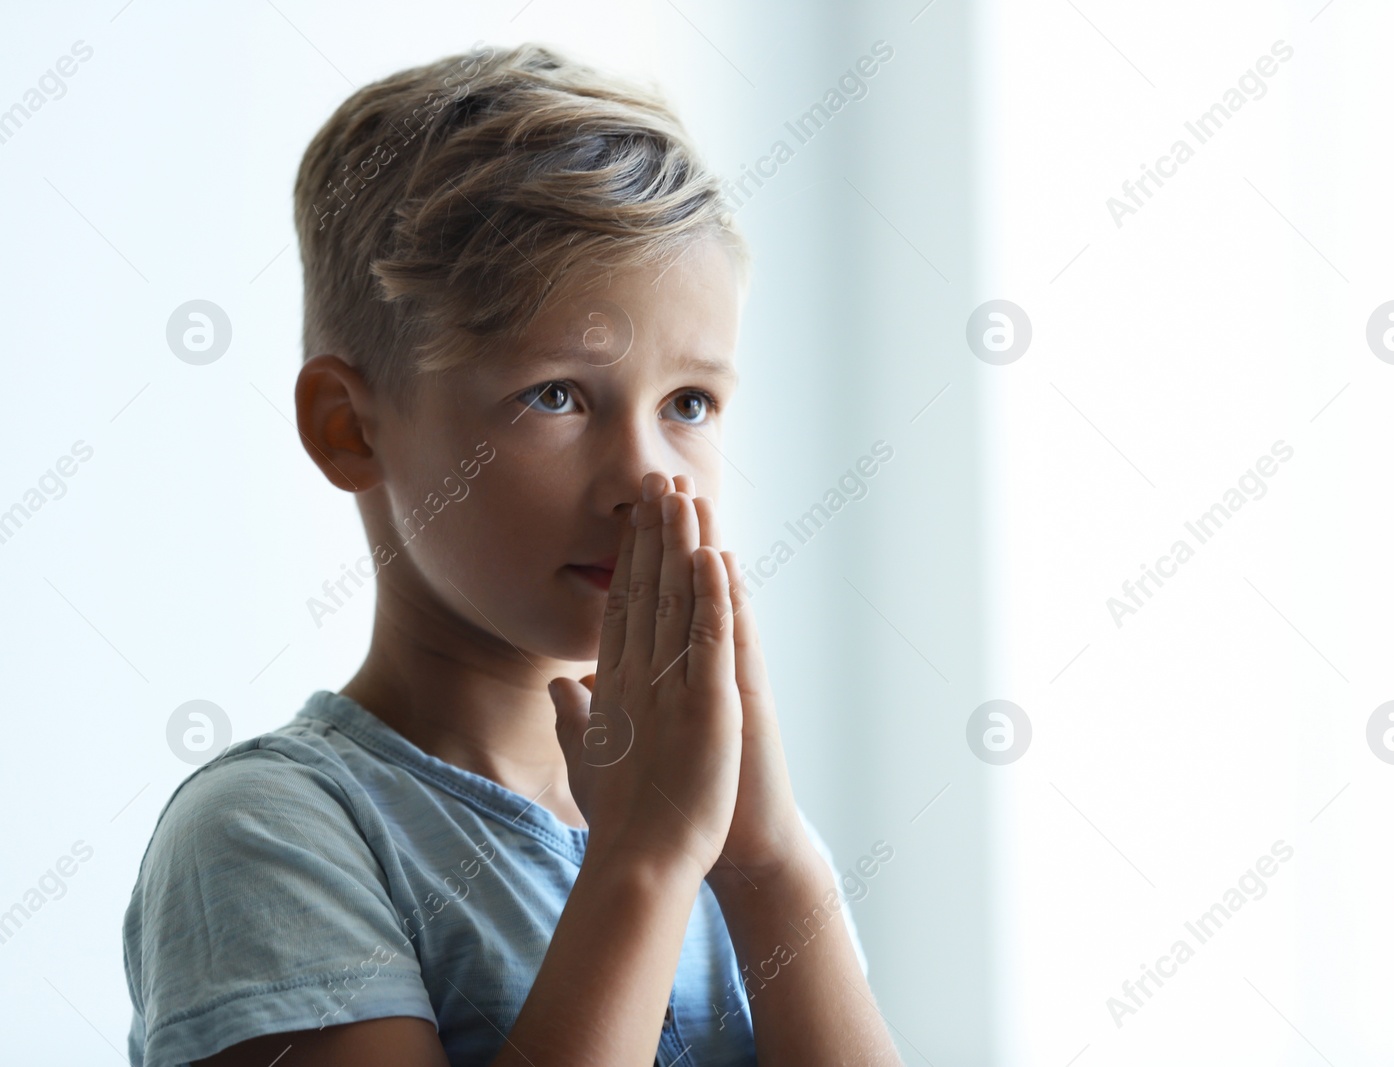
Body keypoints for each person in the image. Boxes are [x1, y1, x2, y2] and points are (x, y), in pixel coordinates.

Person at [121, 40, 903, 1066]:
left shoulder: (733, 830)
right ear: (350, 427)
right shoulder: (272, 835)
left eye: (690, 403)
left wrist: (768, 865)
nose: (649, 479)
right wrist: (643, 862)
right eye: (557, 395)